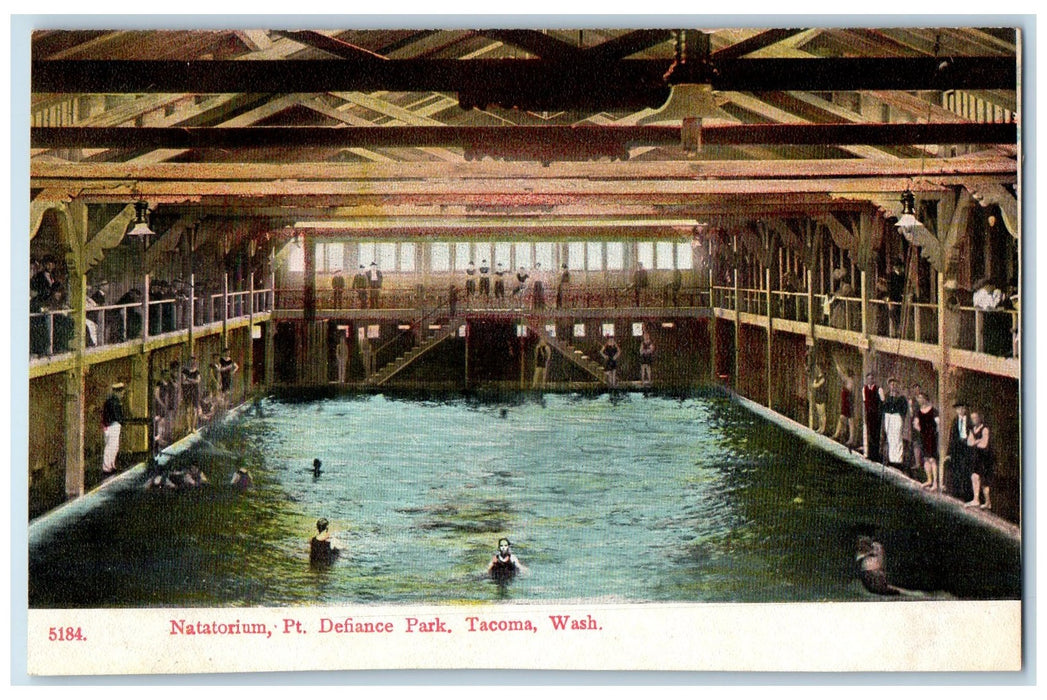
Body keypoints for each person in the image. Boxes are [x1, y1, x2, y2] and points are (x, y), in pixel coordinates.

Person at [913, 392, 941, 491]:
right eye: (918, 398)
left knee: (932, 459)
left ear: (926, 399)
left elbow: (938, 423)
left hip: (932, 437)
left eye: (921, 398)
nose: (919, 400)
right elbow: (915, 424)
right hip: (923, 437)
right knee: (925, 459)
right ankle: (929, 480)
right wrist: (922, 430)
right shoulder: (918, 411)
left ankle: (935, 483)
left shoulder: (933, 410)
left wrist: (932, 432)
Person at [966, 411, 993, 510]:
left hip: (985, 457)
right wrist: (978, 441)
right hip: (977, 456)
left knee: (984, 481)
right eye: (972, 418)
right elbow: (969, 443)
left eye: (975, 418)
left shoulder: (984, 429)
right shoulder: (972, 429)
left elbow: (984, 444)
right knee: (974, 476)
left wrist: (976, 442)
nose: (974, 420)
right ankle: (976, 499)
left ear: (979, 418)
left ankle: (987, 502)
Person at [946, 401, 972, 501]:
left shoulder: (969, 420)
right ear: (956, 410)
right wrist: (949, 453)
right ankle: (956, 492)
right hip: (957, 448)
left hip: (967, 447)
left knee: (966, 470)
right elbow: (951, 437)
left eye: (962, 408)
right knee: (957, 469)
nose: (961, 410)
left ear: (965, 409)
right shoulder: (955, 421)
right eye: (958, 409)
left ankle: (967, 493)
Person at [880, 378, 909, 470]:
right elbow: (883, 407)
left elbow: (904, 409)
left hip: (897, 417)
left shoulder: (901, 398)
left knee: (897, 438)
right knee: (889, 437)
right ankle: (890, 459)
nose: (893, 386)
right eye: (891, 384)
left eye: (895, 384)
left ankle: (897, 461)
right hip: (888, 416)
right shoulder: (887, 396)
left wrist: (900, 416)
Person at [830, 362, 857, 447]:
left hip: (848, 402)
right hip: (846, 401)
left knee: (848, 420)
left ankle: (844, 437)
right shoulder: (848, 380)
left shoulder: (849, 381)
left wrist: (837, 364)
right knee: (846, 419)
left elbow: (841, 373)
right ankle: (839, 435)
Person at [101, 382, 126, 475]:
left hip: (110, 425)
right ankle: (107, 467)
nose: (123, 394)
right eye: (122, 392)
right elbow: (116, 415)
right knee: (111, 446)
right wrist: (121, 421)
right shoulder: (114, 401)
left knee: (113, 446)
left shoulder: (111, 401)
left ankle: (111, 465)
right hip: (112, 425)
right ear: (118, 392)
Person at [862, 373, 884, 462]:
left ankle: (876, 455)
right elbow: (865, 402)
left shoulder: (879, 389)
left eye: (871, 379)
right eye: (868, 379)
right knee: (869, 434)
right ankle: (870, 454)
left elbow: (882, 401)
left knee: (876, 435)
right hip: (869, 414)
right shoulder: (864, 389)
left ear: (874, 380)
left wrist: (879, 414)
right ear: (867, 380)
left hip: (876, 415)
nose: (870, 380)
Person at [181, 355, 202, 433]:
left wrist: (188, 379)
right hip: (187, 392)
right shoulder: (184, 371)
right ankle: (188, 427)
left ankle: (193, 428)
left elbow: (198, 381)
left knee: (194, 410)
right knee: (187, 410)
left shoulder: (197, 371)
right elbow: (183, 382)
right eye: (191, 361)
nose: (193, 363)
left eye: (194, 362)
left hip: (195, 392)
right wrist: (193, 380)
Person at [810, 364, 828, 435]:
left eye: (818, 368)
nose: (817, 370)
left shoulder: (823, 378)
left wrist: (815, 384)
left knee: (822, 413)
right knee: (819, 413)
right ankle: (820, 427)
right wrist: (815, 384)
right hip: (817, 396)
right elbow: (813, 385)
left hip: (822, 396)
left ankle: (823, 428)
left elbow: (816, 385)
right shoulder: (817, 377)